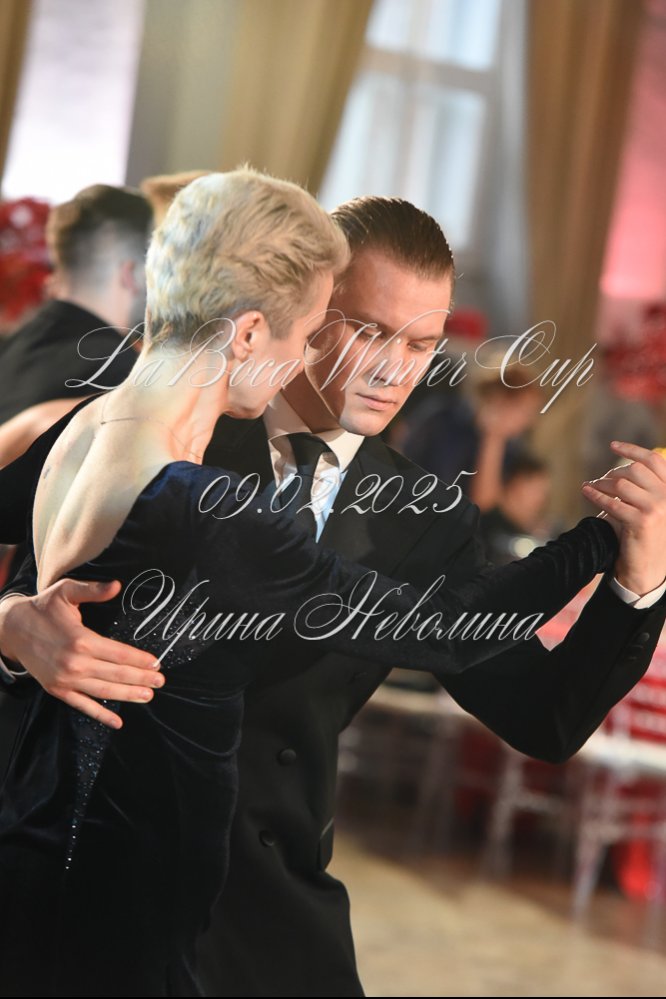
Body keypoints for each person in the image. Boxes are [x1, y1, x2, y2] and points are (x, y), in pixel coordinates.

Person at [1, 194, 666, 998]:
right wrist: (11, 628)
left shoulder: (429, 519)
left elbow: (544, 715)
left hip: (272, 907)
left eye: (422, 343)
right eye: (370, 331)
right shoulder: (168, 420)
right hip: (94, 879)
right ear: (308, 307)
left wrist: (635, 575)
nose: (395, 369)